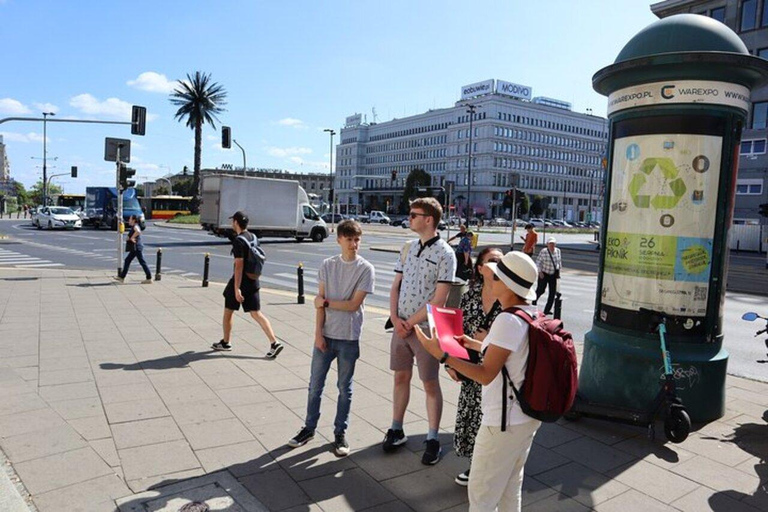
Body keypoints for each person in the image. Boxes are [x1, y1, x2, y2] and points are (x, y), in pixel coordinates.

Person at [414, 251, 542, 512]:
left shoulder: (506, 319)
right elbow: (507, 354)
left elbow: (486, 374)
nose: (491, 281)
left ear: (506, 286)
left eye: (496, 277)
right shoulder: (528, 313)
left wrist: (443, 355)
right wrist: (473, 343)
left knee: (482, 496)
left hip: (502, 422)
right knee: (509, 488)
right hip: (525, 419)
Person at [288, 220, 375, 456]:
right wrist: (318, 333)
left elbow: (352, 305)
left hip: (348, 337)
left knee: (344, 388)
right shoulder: (328, 265)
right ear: (339, 240)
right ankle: (309, 427)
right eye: (349, 239)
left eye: (357, 239)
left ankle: (340, 433)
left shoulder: (366, 269)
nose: (354, 244)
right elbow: (319, 305)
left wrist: (325, 302)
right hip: (325, 335)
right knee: (315, 386)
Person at [384, 197, 456, 465]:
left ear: (429, 219)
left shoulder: (446, 254)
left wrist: (410, 323)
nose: (409, 217)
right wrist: (394, 318)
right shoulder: (408, 247)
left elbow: (439, 300)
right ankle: (396, 428)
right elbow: (395, 286)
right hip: (400, 327)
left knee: (429, 383)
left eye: (414, 214)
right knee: (400, 378)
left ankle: (433, 438)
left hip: (425, 329)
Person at [450, 247, 503, 486]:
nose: (498, 266)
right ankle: (477, 467)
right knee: (474, 420)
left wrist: (488, 338)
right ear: (480, 268)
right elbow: (455, 333)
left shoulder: (509, 298)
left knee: (496, 420)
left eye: (502, 262)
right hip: (472, 371)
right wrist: (451, 364)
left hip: (500, 372)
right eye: (492, 261)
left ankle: (496, 469)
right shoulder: (469, 296)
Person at [212, 211, 283, 358]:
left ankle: (226, 342)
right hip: (253, 279)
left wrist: (237, 288)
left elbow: (239, 265)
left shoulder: (239, 241)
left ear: (236, 223)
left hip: (241, 281)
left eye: (233, 221)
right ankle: (274, 342)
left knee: (228, 310)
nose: (232, 224)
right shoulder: (253, 237)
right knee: (256, 313)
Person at [115, 215, 152, 284]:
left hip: (136, 247)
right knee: (128, 260)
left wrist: (131, 238)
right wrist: (129, 238)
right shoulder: (135, 226)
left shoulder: (135, 226)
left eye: (130, 219)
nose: (129, 220)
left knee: (142, 262)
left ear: (134, 220)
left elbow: (138, 232)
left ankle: (149, 277)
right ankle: (122, 277)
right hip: (135, 248)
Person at [534, 237, 562, 316]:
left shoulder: (558, 251)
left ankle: (547, 310)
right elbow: (538, 262)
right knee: (541, 290)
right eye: (550, 244)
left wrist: (558, 273)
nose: (552, 245)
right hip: (544, 273)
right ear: (547, 244)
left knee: (552, 293)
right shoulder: (544, 251)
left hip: (553, 274)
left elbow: (559, 262)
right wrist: (540, 272)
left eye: (553, 244)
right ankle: (533, 303)